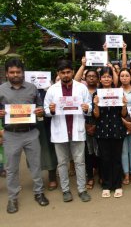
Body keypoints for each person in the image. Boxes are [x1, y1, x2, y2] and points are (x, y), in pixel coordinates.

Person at [0, 58, 49, 213]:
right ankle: (13, 198)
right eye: (12, 72)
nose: (15, 75)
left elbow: (40, 107)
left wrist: (40, 111)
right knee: (12, 168)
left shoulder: (32, 88)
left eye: (18, 72)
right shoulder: (1, 90)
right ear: (6, 74)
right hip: (11, 134)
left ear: (23, 73)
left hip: (31, 132)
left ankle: (39, 192)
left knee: (35, 165)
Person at [44, 59, 92, 202]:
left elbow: (89, 105)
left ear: (72, 72)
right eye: (62, 72)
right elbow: (46, 109)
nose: (66, 75)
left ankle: (82, 189)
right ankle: (65, 190)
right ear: (58, 73)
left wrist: (86, 108)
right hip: (60, 131)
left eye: (68, 72)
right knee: (62, 162)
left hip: (76, 129)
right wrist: (50, 110)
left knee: (80, 161)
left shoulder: (81, 88)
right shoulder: (52, 90)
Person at [93, 67, 127, 198]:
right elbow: (96, 115)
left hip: (117, 129)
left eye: (109, 76)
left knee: (116, 158)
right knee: (104, 158)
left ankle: (117, 185)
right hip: (102, 130)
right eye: (103, 77)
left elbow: (123, 114)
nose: (106, 79)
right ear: (100, 79)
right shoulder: (96, 93)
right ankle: (106, 185)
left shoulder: (119, 92)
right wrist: (96, 104)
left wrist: (124, 105)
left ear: (112, 79)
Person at [83, 69, 100, 189]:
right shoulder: (81, 91)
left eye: (94, 76)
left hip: (99, 122)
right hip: (83, 122)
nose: (91, 78)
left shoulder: (101, 91)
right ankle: (90, 177)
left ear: (98, 78)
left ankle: (101, 174)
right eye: (89, 76)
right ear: (85, 78)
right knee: (88, 151)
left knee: (99, 150)